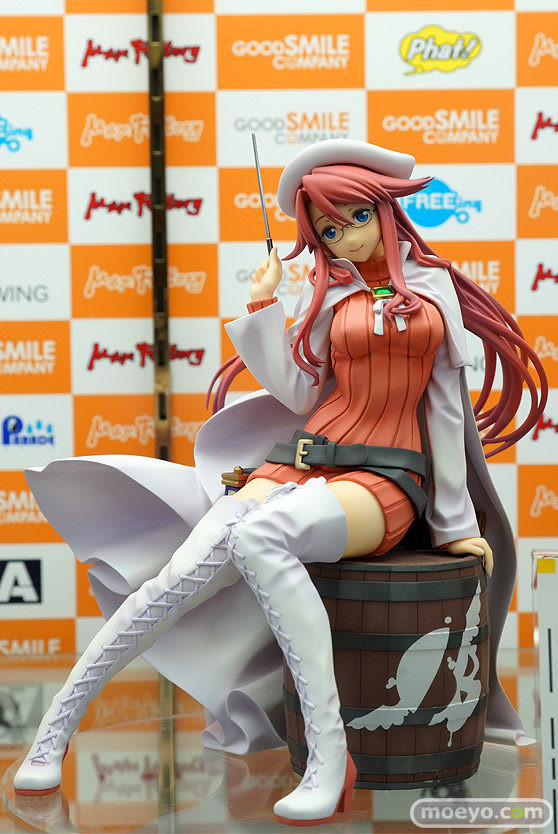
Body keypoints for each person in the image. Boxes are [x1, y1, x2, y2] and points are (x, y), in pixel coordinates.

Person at [13, 140, 547, 826]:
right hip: (300, 458)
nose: (344, 238)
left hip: (387, 477)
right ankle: (52, 732)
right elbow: (300, 392)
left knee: (261, 536)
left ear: (385, 210)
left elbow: (445, 413)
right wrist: (264, 305)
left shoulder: (434, 288)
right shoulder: (329, 293)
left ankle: (329, 756)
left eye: (355, 218)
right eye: (328, 231)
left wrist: (454, 526)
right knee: (177, 578)